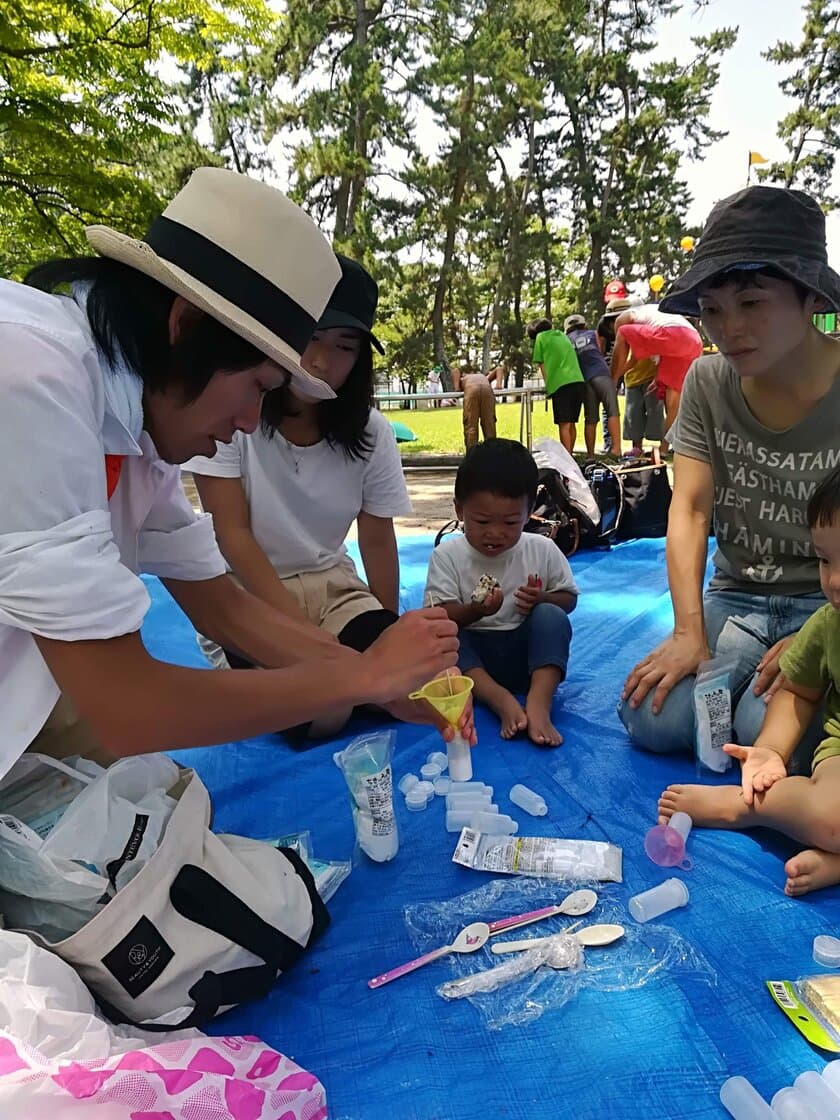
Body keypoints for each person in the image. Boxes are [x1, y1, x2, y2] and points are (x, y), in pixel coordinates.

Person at [0, 167, 471, 777]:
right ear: (186, 325)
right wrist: (364, 675)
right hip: (42, 683)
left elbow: (221, 605)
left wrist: (376, 679)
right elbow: (125, 706)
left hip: (32, 676)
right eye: (256, 386)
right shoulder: (32, 379)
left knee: (158, 821)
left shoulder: (141, 418)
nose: (251, 421)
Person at [619, 185, 840, 764]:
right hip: (736, 597)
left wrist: (820, 638)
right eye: (711, 310)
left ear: (808, 293)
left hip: (829, 602)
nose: (728, 329)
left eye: (751, 303)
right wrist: (688, 631)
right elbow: (690, 510)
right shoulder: (707, 384)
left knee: (758, 730)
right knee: (654, 717)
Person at [186, 255, 411, 739]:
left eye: (345, 346)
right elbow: (232, 533)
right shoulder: (236, 414)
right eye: (311, 338)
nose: (323, 362)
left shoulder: (372, 433)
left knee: (413, 685)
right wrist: (312, 645)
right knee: (319, 711)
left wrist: (388, 637)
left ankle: (350, 681)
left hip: (334, 588)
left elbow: (376, 538)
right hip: (251, 595)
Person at [658, 467, 840, 898]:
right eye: (825, 560)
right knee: (832, 818)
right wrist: (770, 750)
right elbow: (797, 689)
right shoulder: (828, 623)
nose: (833, 582)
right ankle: (745, 808)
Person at [425, 439, 579, 746]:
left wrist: (542, 600)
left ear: (529, 511)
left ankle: (538, 702)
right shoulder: (448, 556)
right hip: (474, 665)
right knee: (444, 635)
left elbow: (569, 599)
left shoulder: (541, 549)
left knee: (551, 617)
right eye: (481, 521)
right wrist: (475, 610)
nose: (495, 533)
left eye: (510, 522)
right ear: (459, 509)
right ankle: (499, 699)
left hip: (525, 656)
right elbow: (440, 613)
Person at [611, 301, 702, 442]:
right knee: (673, 405)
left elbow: (622, 332)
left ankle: (611, 379)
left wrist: (613, 378)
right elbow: (634, 359)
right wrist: (656, 378)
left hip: (672, 333)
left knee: (623, 332)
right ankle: (665, 449)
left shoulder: (628, 316)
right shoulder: (654, 322)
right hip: (693, 341)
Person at [564, 313, 621, 457]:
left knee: (590, 418)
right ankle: (616, 449)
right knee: (612, 410)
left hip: (584, 379)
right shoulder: (593, 334)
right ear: (584, 324)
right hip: (601, 373)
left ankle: (590, 454)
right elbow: (600, 351)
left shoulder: (566, 340)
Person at [528, 317, 584, 453]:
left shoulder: (540, 338)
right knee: (571, 423)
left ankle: (566, 459)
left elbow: (541, 364)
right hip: (578, 381)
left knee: (563, 424)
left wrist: (548, 386)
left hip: (561, 384)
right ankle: (570, 456)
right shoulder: (562, 335)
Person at [451, 361, 497, 449]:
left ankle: (472, 455)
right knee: (489, 425)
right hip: (487, 390)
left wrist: (456, 388)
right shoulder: (484, 377)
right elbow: (499, 369)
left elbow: (455, 371)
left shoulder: (464, 378)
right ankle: (492, 455)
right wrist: (498, 385)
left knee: (471, 425)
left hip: (471, 390)